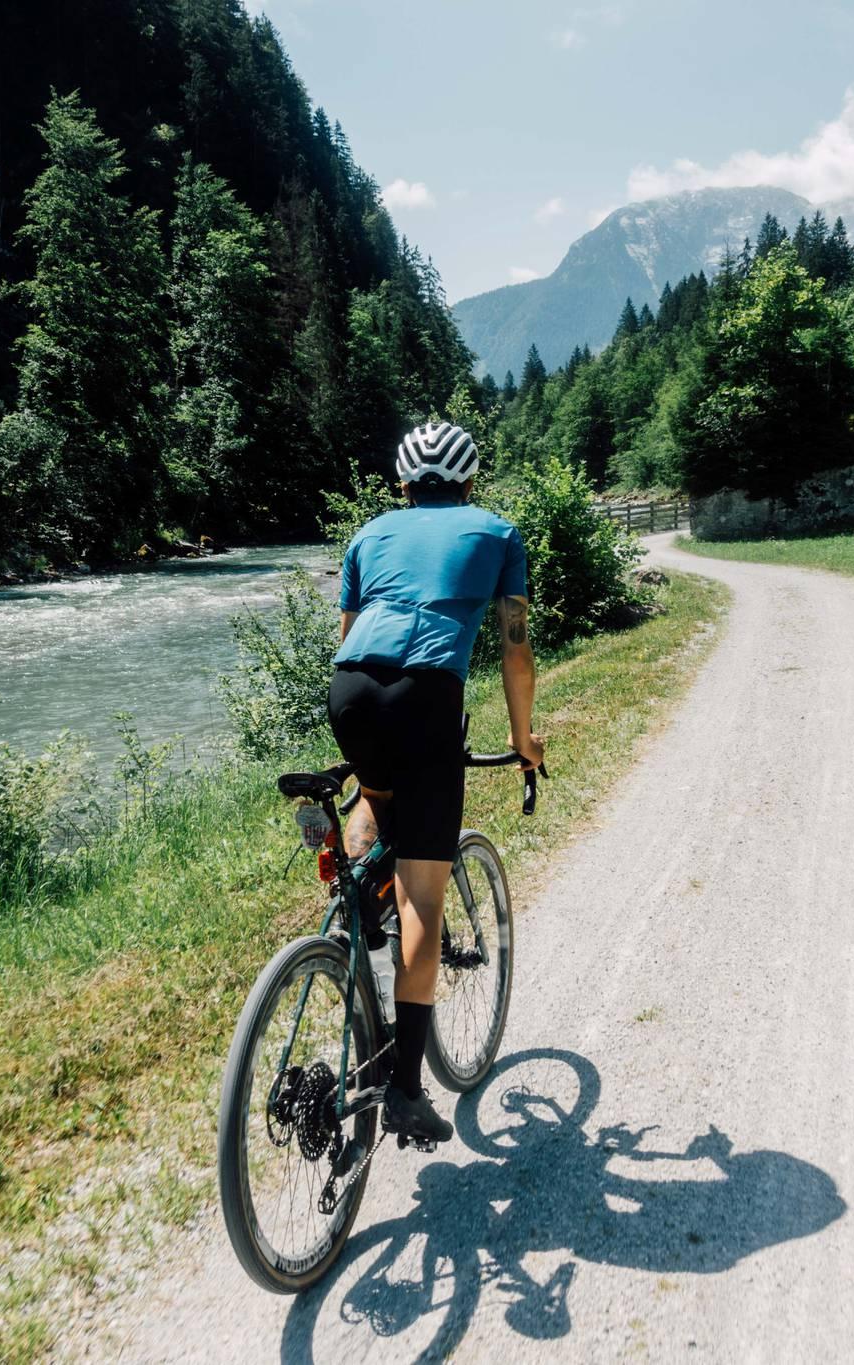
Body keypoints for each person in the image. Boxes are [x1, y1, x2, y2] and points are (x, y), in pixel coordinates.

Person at [329, 420, 545, 1144]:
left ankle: (351, 922)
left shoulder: (367, 535)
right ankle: (406, 1088)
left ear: (401, 485)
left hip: (351, 692)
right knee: (425, 889)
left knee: (376, 794)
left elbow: (350, 640)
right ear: (470, 482)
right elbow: (516, 653)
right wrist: (523, 742)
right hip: (427, 697)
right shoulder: (499, 533)